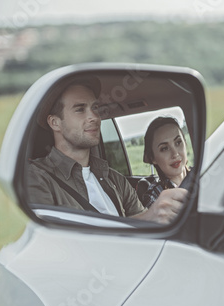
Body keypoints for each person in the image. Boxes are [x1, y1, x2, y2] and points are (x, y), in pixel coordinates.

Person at [27, 77, 187, 225]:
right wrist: (149, 216)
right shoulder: (36, 177)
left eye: (95, 108)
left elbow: (146, 229)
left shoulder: (116, 180)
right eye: (80, 109)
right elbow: (55, 241)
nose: (95, 117)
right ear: (55, 123)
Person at [138, 117, 191, 208]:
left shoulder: (203, 174)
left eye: (178, 142)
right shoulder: (154, 197)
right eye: (164, 148)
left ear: (185, 143)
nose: (175, 154)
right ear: (153, 158)